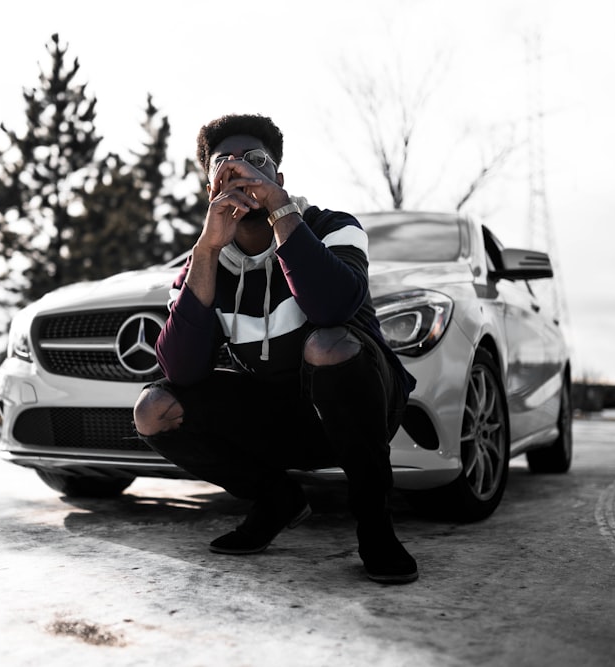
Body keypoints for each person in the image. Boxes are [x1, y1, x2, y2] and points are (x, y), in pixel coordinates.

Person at [132, 113, 418, 584]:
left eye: (255, 162)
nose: (240, 171)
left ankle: (374, 523)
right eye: (224, 164)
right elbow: (182, 369)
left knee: (327, 346)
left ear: (279, 178)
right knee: (154, 409)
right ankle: (277, 499)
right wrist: (207, 248)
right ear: (210, 188)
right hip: (277, 420)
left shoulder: (331, 227)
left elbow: (331, 307)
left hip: (359, 406)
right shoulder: (202, 264)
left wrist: (280, 210)